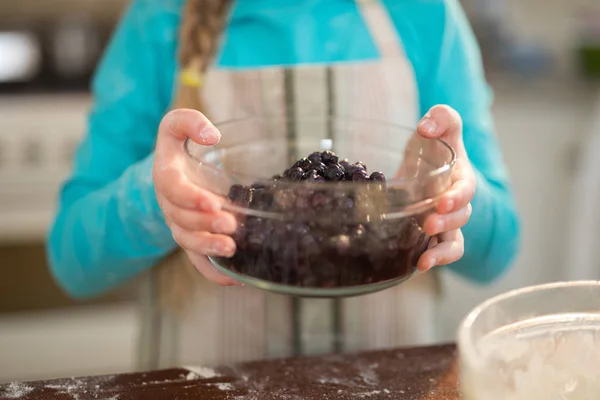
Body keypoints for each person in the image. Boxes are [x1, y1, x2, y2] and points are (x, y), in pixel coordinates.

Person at [47, 0, 520, 366]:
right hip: (206, 379)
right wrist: (157, 195)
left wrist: (447, 194)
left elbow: (498, 252)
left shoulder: (423, 13)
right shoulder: (159, 19)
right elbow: (72, 263)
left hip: (390, 381)